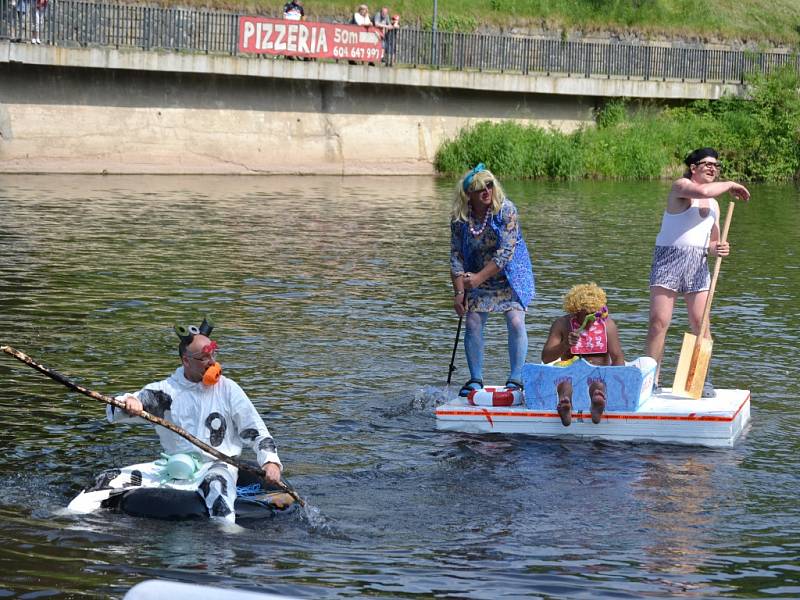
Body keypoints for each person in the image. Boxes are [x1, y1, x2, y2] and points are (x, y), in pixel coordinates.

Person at [110, 316, 283, 523]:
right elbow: (116, 409)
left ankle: (226, 537)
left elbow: (256, 431)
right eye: (204, 359)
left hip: (216, 466)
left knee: (218, 489)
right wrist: (128, 402)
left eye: (213, 356)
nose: (212, 363)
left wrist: (270, 461)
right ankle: (70, 517)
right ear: (186, 361)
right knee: (108, 479)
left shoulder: (228, 390)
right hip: (171, 468)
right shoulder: (166, 391)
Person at [644, 147, 750, 397]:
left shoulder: (714, 204)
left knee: (701, 325)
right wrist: (732, 183)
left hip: (697, 263)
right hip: (668, 259)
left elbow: (711, 243)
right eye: (707, 164)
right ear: (693, 168)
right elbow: (702, 190)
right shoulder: (681, 186)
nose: (713, 168)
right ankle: (651, 380)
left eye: (717, 165)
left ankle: (700, 379)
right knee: (659, 323)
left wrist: (719, 248)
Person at [450, 163, 535, 398]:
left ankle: (516, 378)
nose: (486, 191)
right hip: (477, 273)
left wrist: (477, 279)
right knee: (473, 321)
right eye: (480, 188)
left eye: (489, 185)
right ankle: (476, 378)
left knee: (516, 321)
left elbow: (505, 254)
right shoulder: (460, 219)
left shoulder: (506, 211)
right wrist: (459, 294)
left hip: (511, 273)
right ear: (469, 194)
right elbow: (456, 255)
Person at [540, 283, 625, 425]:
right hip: (569, 374)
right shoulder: (562, 324)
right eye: (588, 314)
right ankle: (565, 404)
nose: (593, 318)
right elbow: (546, 357)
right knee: (564, 383)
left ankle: (597, 401)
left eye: (596, 312)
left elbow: (617, 357)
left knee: (598, 384)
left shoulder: (607, 325)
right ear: (576, 311)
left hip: (599, 373)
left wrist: (618, 384)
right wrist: (565, 345)